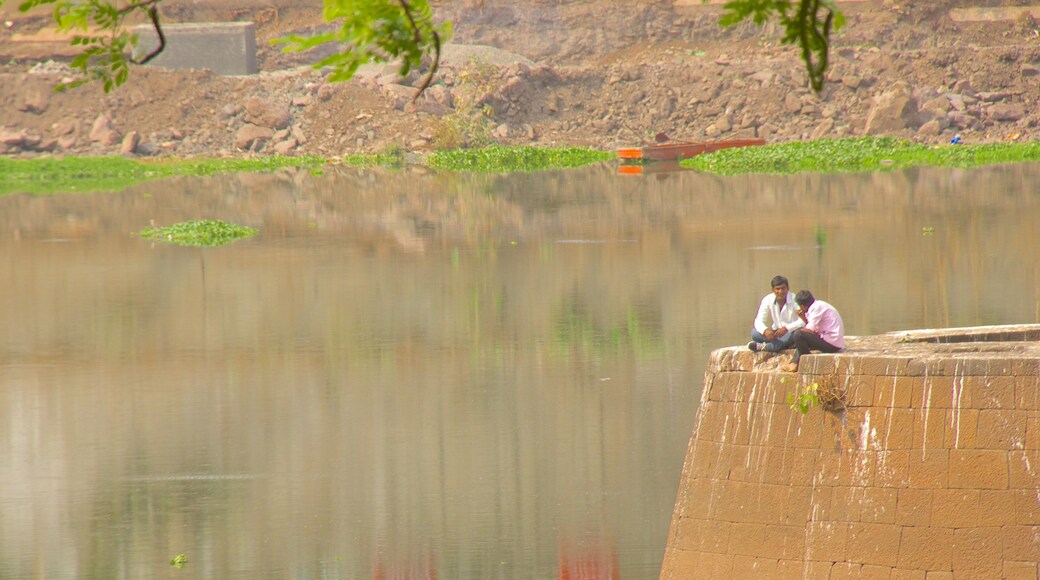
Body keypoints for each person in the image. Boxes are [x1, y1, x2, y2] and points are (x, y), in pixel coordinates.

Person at [781, 290, 845, 372]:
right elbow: (811, 327)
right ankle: (794, 363)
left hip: (832, 344)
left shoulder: (816, 308)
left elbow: (809, 329)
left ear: (803, 306)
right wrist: (803, 316)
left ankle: (806, 361)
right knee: (800, 336)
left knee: (798, 334)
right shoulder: (817, 305)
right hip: (828, 339)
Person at [748, 275, 804, 353]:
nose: (780, 292)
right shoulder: (768, 299)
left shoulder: (794, 299)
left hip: (791, 332)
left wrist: (786, 328)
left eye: (783, 288)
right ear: (773, 290)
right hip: (776, 334)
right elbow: (758, 321)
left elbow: (803, 320)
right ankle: (780, 345)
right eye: (777, 289)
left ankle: (768, 346)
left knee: (797, 334)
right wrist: (765, 331)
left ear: (788, 288)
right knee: (754, 333)